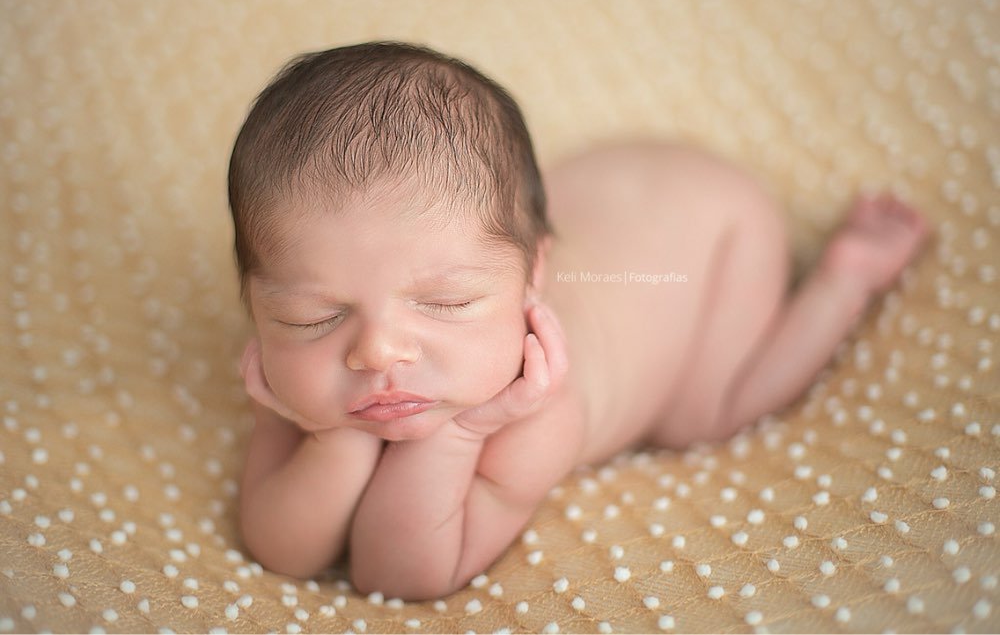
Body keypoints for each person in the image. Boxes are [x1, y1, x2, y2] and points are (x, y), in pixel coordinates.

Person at [228, 41, 928, 600]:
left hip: (712, 234)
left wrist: (461, 431)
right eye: (312, 316)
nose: (377, 351)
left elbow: (398, 573)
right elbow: (279, 545)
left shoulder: (540, 410)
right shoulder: (298, 375)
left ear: (534, 274)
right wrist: (328, 438)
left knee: (706, 414)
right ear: (256, 303)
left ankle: (848, 275)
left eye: (444, 304)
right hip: (604, 190)